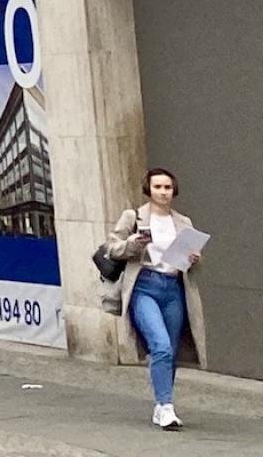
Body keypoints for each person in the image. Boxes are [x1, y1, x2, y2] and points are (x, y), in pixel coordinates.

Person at [101, 166, 205, 431]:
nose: (163, 192)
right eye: (157, 187)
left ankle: (162, 405)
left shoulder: (183, 222)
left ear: (174, 190)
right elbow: (112, 247)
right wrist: (133, 244)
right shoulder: (134, 216)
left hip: (173, 286)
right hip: (144, 286)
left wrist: (194, 260)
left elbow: (192, 265)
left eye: (167, 187)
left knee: (169, 349)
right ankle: (166, 406)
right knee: (159, 345)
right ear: (149, 189)